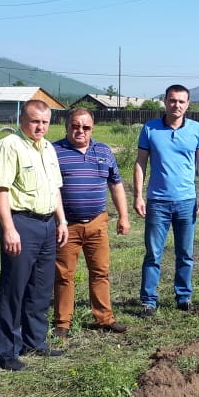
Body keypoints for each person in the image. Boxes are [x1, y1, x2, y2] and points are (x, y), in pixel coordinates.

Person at [0, 99, 68, 371]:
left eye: (45, 122)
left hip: (47, 225)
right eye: (35, 121)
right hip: (22, 223)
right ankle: (7, 351)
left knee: (40, 288)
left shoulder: (48, 148)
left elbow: (55, 188)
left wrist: (61, 220)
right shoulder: (9, 146)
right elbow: (0, 189)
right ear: (23, 119)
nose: (40, 127)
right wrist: (9, 228)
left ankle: (35, 342)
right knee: (15, 288)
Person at [52, 108, 131, 339]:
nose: (80, 131)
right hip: (67, 226)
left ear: (92, 129)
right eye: (75, 126)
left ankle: (104, 319)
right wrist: (59, 221)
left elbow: (115, 185)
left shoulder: (104, 151)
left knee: (100, 272)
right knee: (64, 275)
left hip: (97, 223)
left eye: (85, 127)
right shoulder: (54, 151)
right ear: (67, 126)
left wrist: (123, 216)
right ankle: (63, 323)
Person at [133, 84, 199, 317]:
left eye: (181, 101)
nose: (176, 105)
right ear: (165, 101)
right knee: (153, 253)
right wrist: (137, 195)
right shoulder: (150, 129)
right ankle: (149, 300)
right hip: (157, 202)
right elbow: (140, 163)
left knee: (185, 252)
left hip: (186, 201)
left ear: (187, 104)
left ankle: (183, 297)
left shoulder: (197, 130)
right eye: (172, 100)